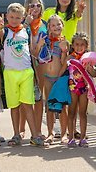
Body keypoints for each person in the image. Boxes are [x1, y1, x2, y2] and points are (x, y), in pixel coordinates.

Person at [0, 3, 44, 147]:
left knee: (28, 104)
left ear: (23, 18)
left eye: (18, 17)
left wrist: (39, 46)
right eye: (11, 17)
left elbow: (32, 51)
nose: (14, 20)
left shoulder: (26, 31)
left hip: (26, 72)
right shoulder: (4, 31)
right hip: (10, 73)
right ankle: (16, 134)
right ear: (7, 16)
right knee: (14, 106)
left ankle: (35, 135)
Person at [38, 14, 69, 144]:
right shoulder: (45, 41)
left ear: (62, 25)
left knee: (62, 107)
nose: (56, 27)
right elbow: (40, 58)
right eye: (53, 25)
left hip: (59, 78)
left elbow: (64, 62)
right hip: (47, 78)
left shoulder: (64, 42)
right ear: (49, 28)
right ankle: (50, 132)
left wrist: (63, 51)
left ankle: (64, 134)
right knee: (49, 106)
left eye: (58, 24)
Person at [63, 32, 96, 147]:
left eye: (82, 44)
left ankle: (83, 138)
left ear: (86, 46)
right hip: (72, 88)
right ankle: (71, 137)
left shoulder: (88, 58)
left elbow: (94, 74)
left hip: (84, 89)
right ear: (72, 45)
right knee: (71, 113)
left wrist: (89, 68)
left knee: (83, 113)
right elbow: (63, 70)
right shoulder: (70, 58)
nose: (79, 47)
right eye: (77, 44)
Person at [21, 0, 48, 139]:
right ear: (26, 8)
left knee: (38, 98)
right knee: (25, 98)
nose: (35, 8)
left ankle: (37, 130)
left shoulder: (44, 23)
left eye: (38, 5)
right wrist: (26, 23)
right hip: (24, 62)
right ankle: (21, 129)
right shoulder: (22, 23)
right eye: (32, 5)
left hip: (41, 62)